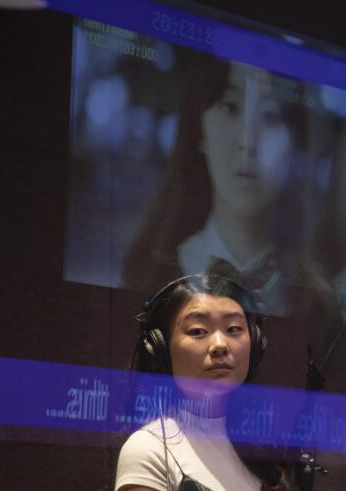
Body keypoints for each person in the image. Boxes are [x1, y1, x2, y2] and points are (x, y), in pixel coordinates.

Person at [114, 272, 309, 491]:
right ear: (160, 348)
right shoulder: (149, 450)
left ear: (254, 342)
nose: (220, 345)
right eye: (198, 331)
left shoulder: (258, 446)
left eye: (233, 329)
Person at [121, 53, 311, 312]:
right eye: (230, 107)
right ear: (200, 129)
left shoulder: (315, 300)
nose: (247, 142)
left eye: (270, 115)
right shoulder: (149, 275)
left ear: (294, 144)